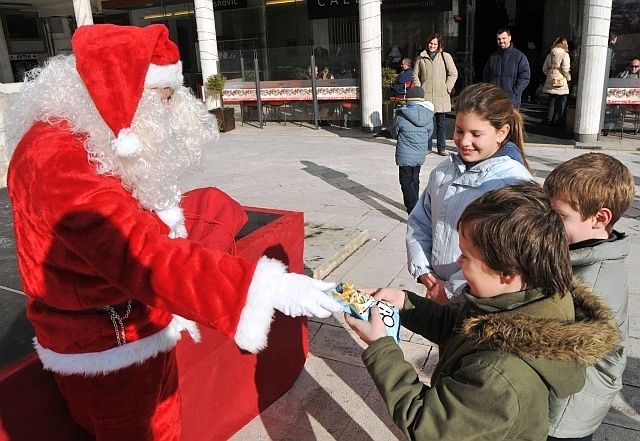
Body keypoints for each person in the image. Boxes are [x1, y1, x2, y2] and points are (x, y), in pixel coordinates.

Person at [5, 24, 342, 440]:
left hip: (127, 324)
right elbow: (142, 254)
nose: (168, 113)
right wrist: (263, 287)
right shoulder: (59, 159)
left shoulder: (84, 133)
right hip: (109, 346)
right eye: (162, 100)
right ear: (120, 91)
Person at [346, 182, 621, 440]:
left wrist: (382, 347)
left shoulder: (497, 377)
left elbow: (425, 423)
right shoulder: (528, 298)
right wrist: (404, 302)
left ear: (507, 273)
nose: (458, 260)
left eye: (466, 256)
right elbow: (459, 325)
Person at [406, 83, 532, 304]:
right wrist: (424, 271)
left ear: (502, 133)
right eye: (459, 130)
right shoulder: (443, 172)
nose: (464, 142)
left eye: (476, 134)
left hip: (482, 302)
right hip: (437, 291)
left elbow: (506, 254)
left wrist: (452, 290)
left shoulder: (512, 184)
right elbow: (420, 221)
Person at [544, 153, 635, 441]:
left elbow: (559, 346)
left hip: (566, 411)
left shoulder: (590, 283)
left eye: (558, 216)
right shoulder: (586, 252)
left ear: (600, 218)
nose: (548, 223)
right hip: (573, 399)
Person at [389, 87, 435, 213]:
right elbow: (430, 132)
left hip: (405, 153)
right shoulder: (428, 115)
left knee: (405, 180)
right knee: (415, 177)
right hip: (420, 153)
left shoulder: (401, 114)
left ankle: (413, 208)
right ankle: (415, 203)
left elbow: (394, 132)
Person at [412, 33, 458, 156]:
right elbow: (415, 75)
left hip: (441, 95)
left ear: (439, 45)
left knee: (441, 124)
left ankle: (441, 148)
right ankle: (427, 147)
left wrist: (447, 87)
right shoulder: (421, 58)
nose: (432, 46)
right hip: (426, 96)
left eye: (435, 44)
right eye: (431, 43)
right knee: (427, 124)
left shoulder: (445, 56)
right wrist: (419, 87)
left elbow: (453, 73)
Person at [482, 28, 531, 107]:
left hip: (511, 102)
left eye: (503, 38)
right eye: (499, 39)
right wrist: (489, 92)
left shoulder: (519, 57)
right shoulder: (493, 57)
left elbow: (525, 77)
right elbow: (486, 76)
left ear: (509, 38)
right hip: (494, 101)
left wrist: (514, 92)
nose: (501, 41)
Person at [542, 37, 571, 126]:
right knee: (563, 99)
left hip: (551, 79)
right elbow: (565, 69)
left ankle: (549, 119)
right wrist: (568, 78)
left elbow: (544, 69)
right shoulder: (565, 55)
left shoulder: (550, 55)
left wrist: (550, 76)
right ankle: (559, 119)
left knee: (552, 100)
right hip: (561, 80)